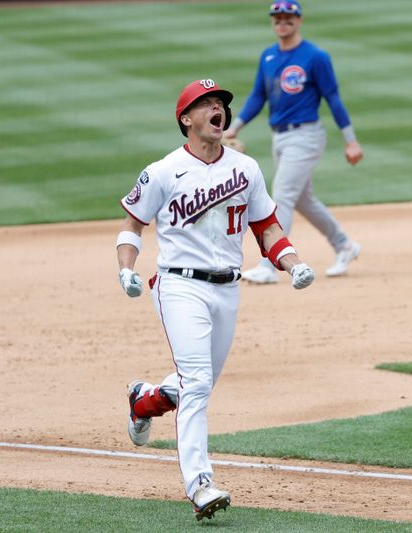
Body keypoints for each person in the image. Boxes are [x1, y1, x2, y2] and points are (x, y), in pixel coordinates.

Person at [115, 78, 315, 521]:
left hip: (227, 289)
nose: (217, 109)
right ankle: (199, 484)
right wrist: (126, 268)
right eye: (205, 104)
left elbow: (267, 227)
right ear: (187, 119)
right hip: (179, 285)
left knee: (196, 382)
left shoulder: (245, 168)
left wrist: (293, 262)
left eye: (220, 103)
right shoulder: (164, 170)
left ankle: (144, 399)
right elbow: (132, 224)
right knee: (199, 382)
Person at [224, 0, 364, 284]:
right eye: (277, 18)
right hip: (280, 137)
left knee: (283, 196)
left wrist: (351, 141)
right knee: (303, 200)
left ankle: (268, 264)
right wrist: (233, 128)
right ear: (273, 22)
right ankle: (344, 245)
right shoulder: (268, 56)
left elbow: (333, 98)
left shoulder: (315, 57)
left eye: (288, 17)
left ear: (299, 21)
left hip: (306, 136)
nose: (282, 22)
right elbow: (257, 97)